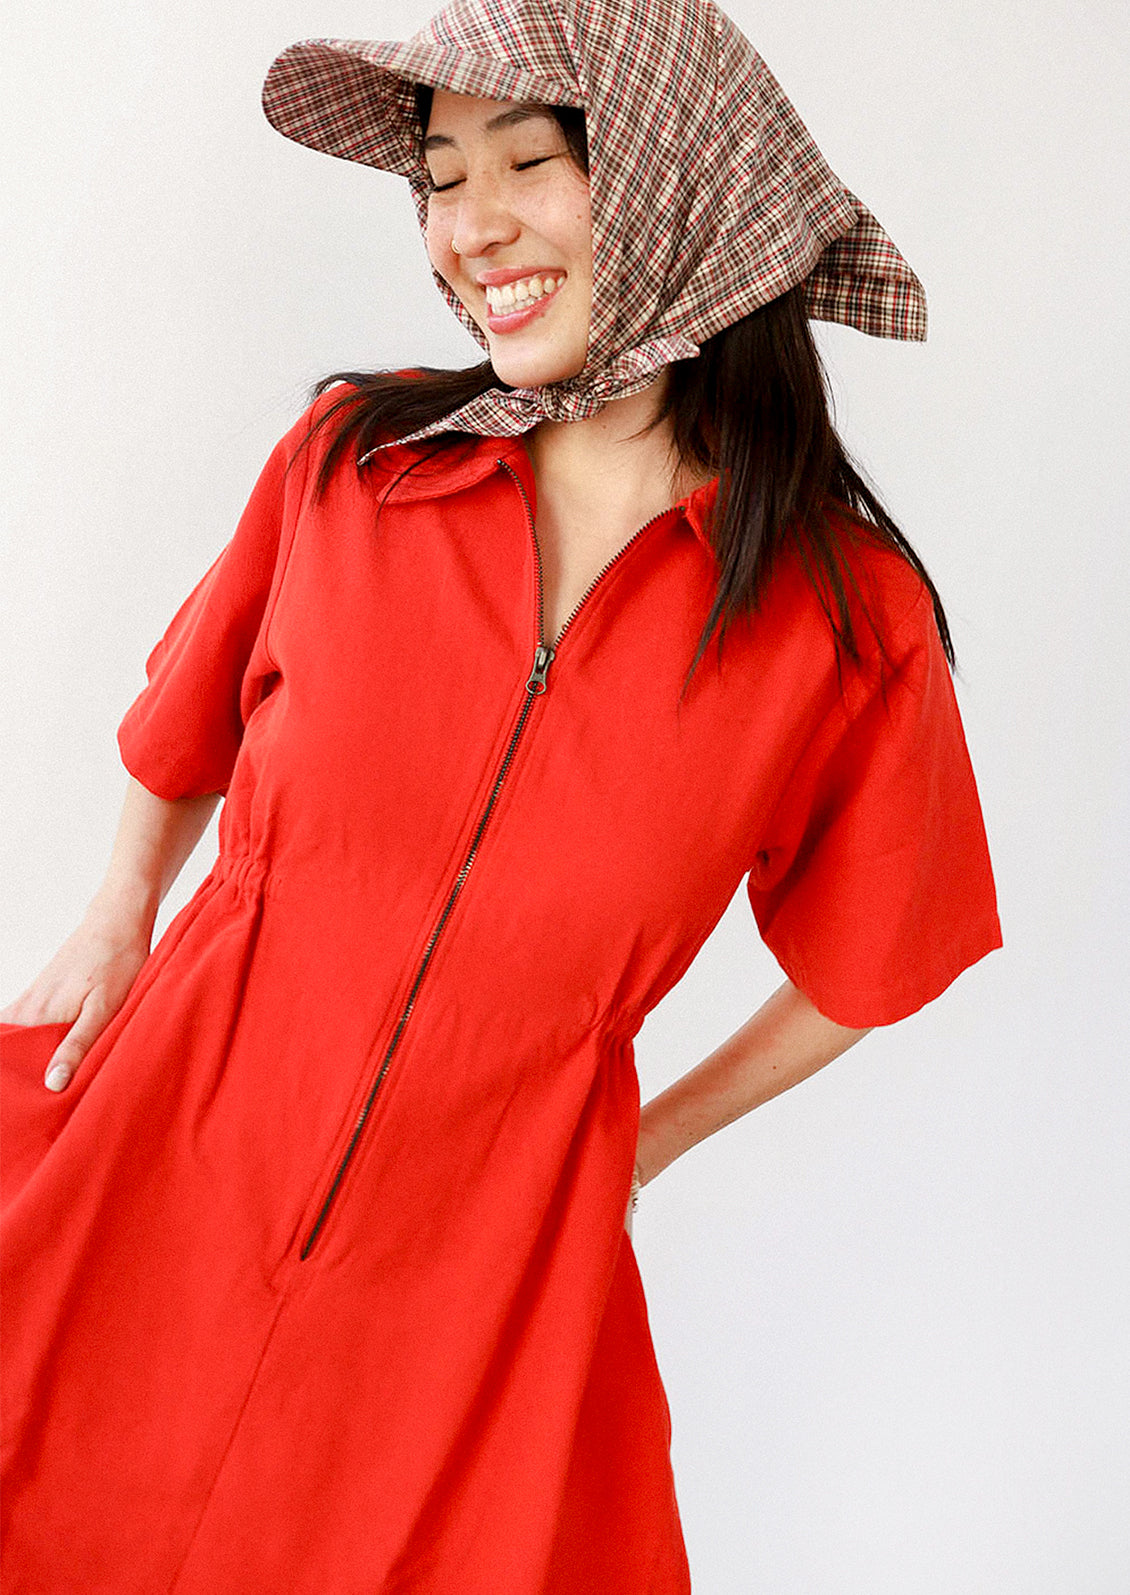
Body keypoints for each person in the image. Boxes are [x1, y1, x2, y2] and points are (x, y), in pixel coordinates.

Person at [0, 0, 1002, 1588]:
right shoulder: (356, 463)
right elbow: (185, 721)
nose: (466, 229)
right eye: (436, 177)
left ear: (688, 181)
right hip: (171, 1139)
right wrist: (119, 911)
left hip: (479, 1266)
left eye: (525, 161)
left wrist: (636, 1143)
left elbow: (877, 959)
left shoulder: (840, 616)